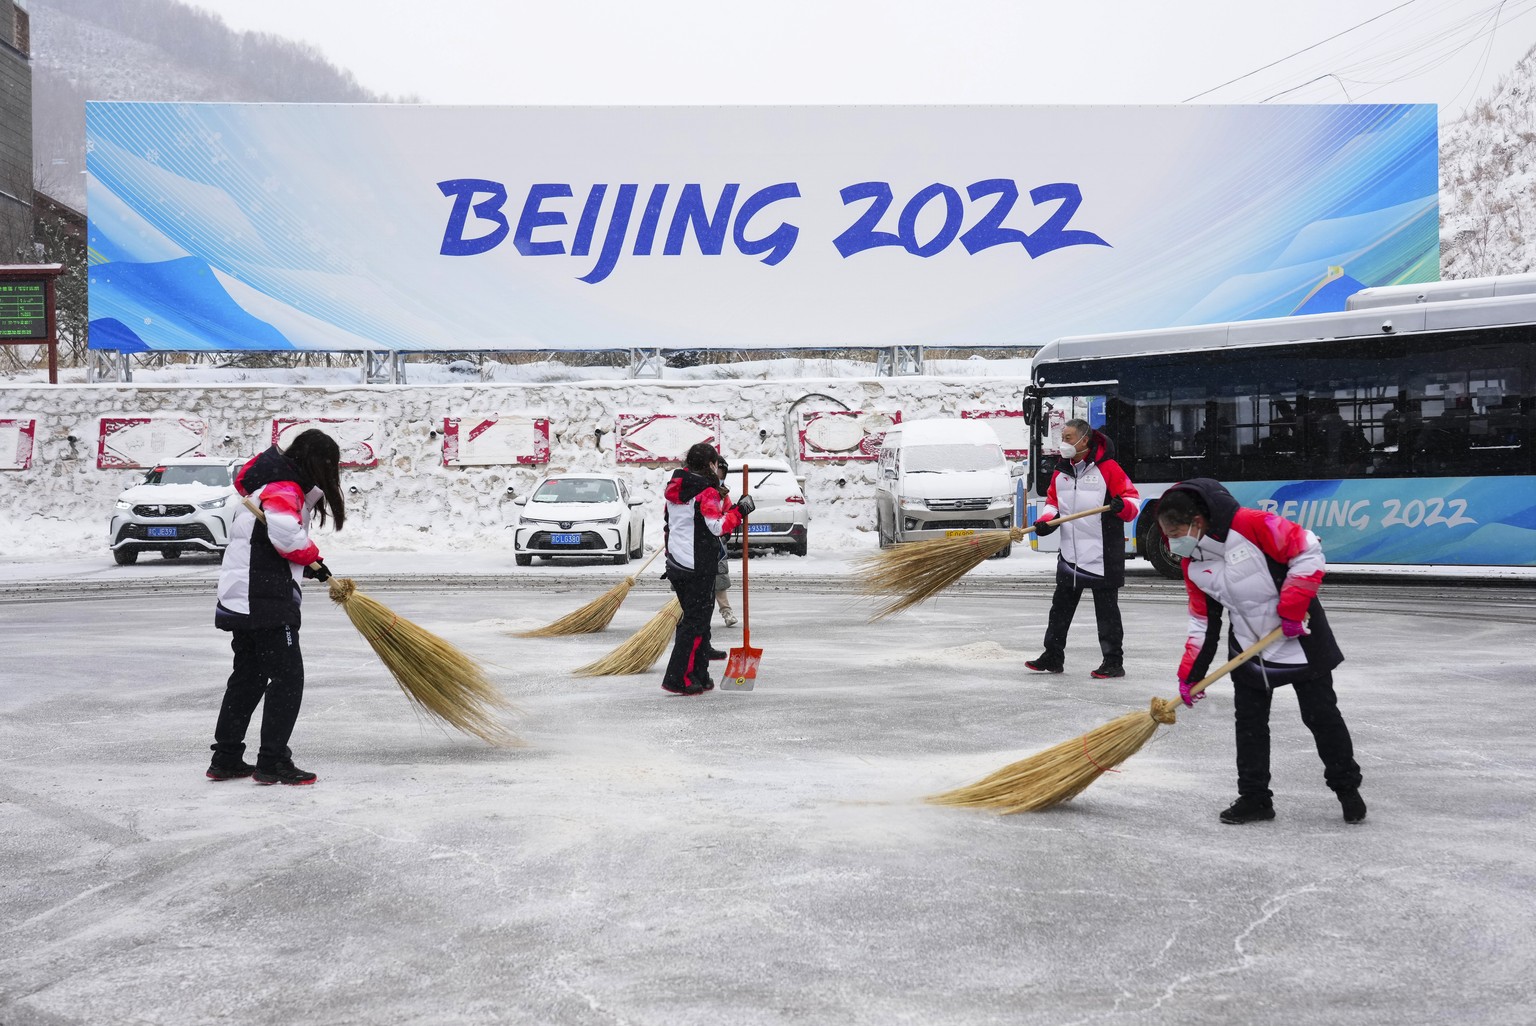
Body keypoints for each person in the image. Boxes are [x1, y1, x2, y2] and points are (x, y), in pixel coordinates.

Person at [1156, 478, 1366, 825]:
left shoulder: (1251, 524)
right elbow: (1202, 622)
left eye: (1176, 530)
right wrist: (1191, 674)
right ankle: (1254, 798)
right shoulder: (1192, 562)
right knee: (1250, 724)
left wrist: (1294, 607)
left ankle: (1347, 788)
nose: (1172, 540)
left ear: (1198, 521)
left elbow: (1307, 550)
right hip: (1249, 647)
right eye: (1167, 533)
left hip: (1300, 635)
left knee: (1321, 716)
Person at [206, 429, 346, 785]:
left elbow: (278, 537)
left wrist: (309, 566)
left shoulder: (267, 485)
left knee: (249, 676)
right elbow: (285, 534)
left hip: (244, 596)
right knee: (287, 678)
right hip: (265, 598)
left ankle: (226, 758)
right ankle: (272, 761)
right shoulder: (284, 487)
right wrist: (312, 557)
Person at [1026, 418, 1141, 679]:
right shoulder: (1062, 471)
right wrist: (1046, 522)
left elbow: (1132, 499)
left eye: (1067, 437)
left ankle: (1113, 662)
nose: (1063, 443)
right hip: (1070, 555)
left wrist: (1122, 506)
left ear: (1084, 440)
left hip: (1102, 554)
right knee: (1060, 610)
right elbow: (1053, 503)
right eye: (1062, 437)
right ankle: (1053, 656)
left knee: (1107, 612)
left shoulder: (1108, 469)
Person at [660, 442, 752, 695]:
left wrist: (730, 507)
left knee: (697, 621)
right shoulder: (706, 491)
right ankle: (679, 678)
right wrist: (740, 512)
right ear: (711, 464)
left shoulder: (676, 488)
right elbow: (717, 527)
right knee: (694, 623)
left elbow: (673, 522)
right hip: (698, 565)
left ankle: (700, 673)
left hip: (677, 563)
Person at [712, 457, 740, 630]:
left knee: (720, 578)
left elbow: (728, 512)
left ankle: (726, 611)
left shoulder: (723, 494)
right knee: (691, 585)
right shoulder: (698, 491)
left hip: (717, 542)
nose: (719, 476)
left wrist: (728, 527)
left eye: (721, 474)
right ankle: (679, 613)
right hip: (697, 542)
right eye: (717, 473)